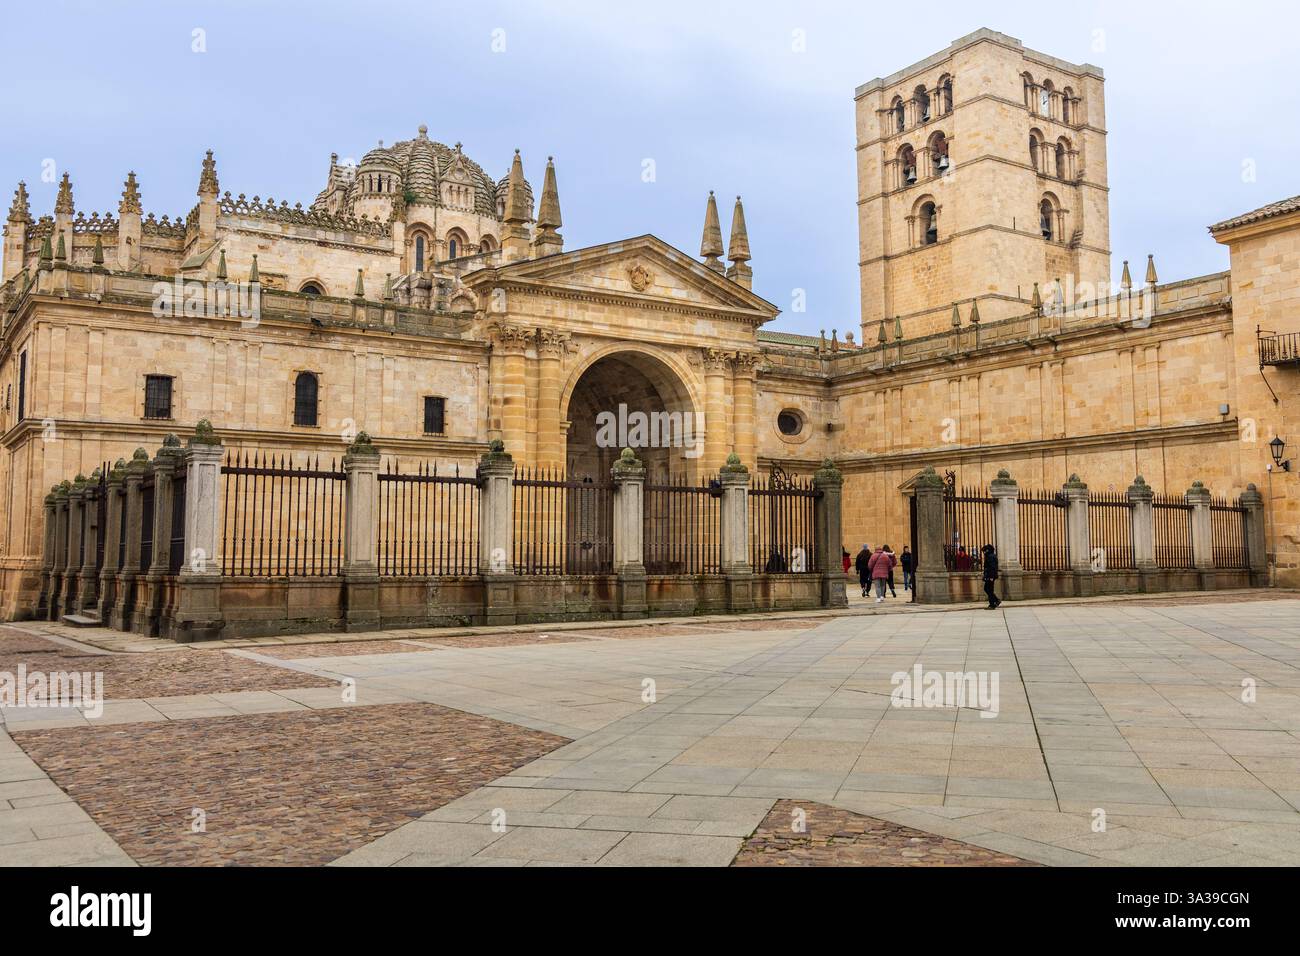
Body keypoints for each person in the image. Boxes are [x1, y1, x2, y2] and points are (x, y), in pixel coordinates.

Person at [981, 543, 1002, 610]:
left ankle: (993, 603)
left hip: (990, 576)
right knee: (989, 589)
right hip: (990, 576)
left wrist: (991, 577)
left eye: (984, 551)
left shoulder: (990, 556)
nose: (983, 553)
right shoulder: (991, 555)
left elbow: (992, 567)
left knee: (988, 589)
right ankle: (994, 602)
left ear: (987, 550)